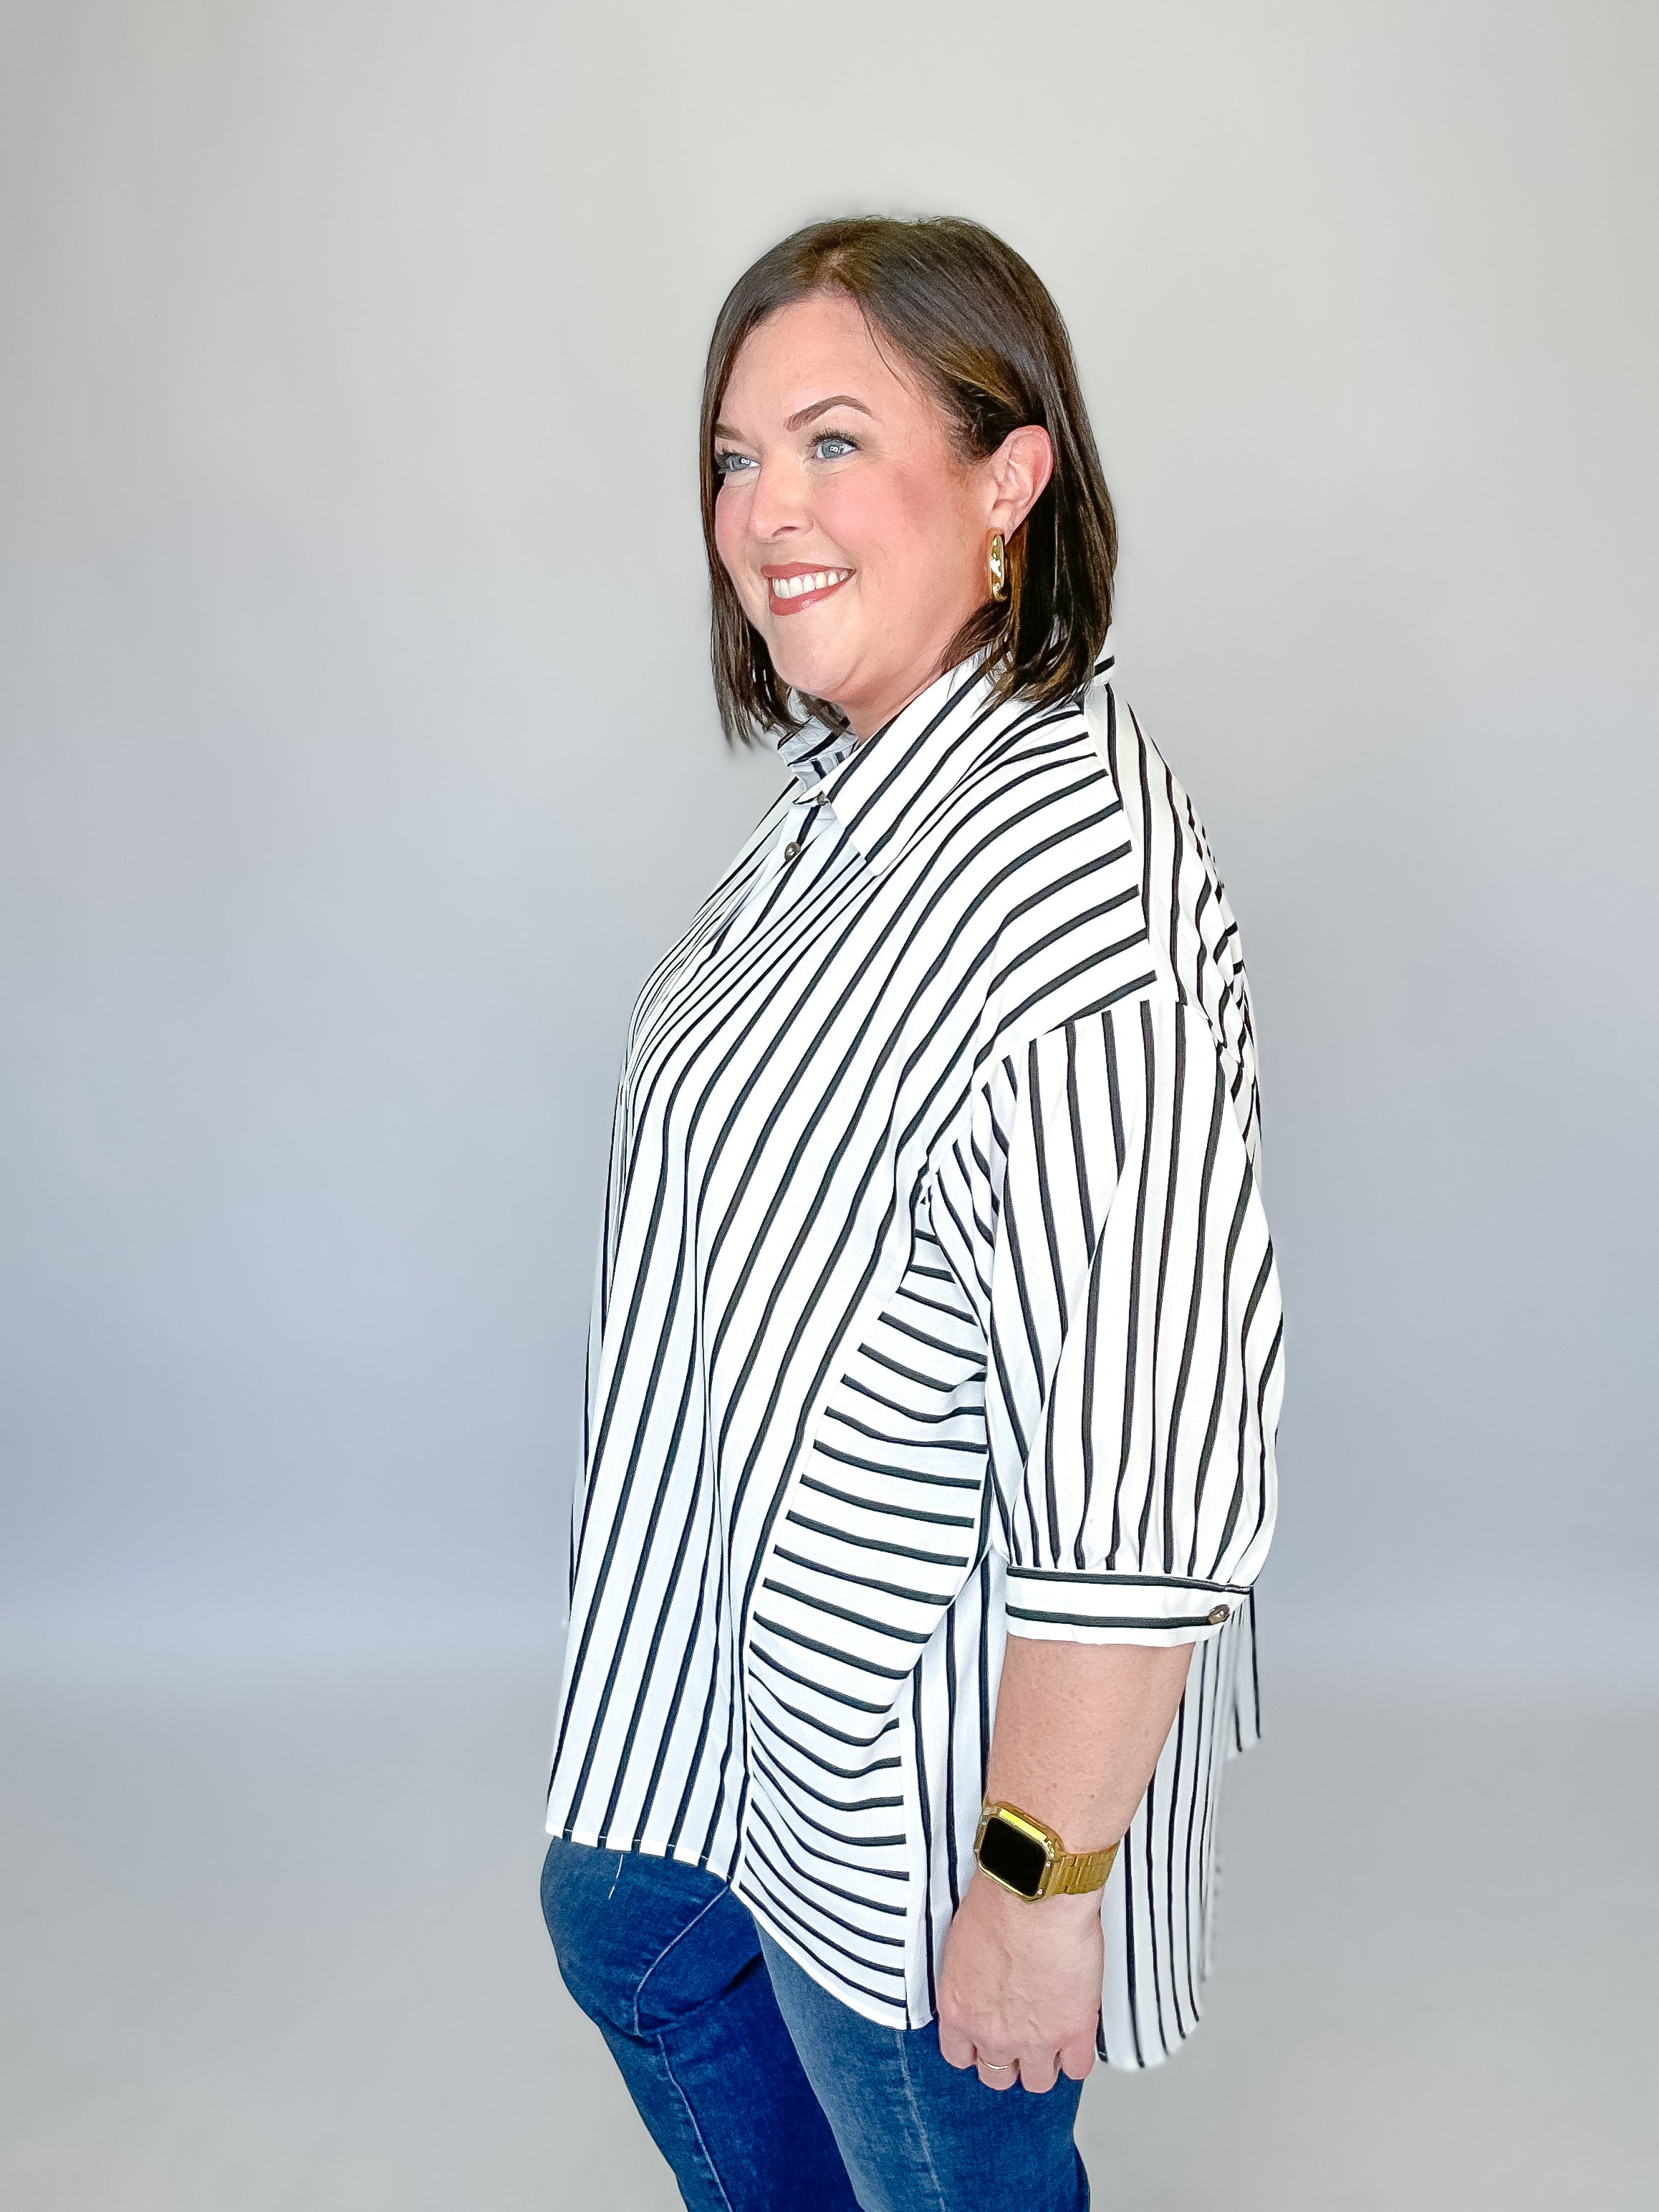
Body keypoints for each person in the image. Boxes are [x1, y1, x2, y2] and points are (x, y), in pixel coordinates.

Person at [540, 215, 1284, 2212]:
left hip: (916, 1787)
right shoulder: (856, 795)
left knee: (941, 2163)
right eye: (734, 457)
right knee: (631, 1925)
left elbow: (1145, 1468)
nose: (763, 511)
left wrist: (1035, 1889)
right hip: (727, 1681)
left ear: (1008, 478)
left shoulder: (1076, 906)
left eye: (833, 442)